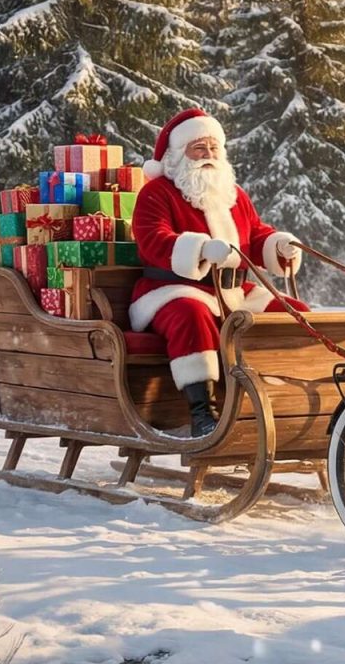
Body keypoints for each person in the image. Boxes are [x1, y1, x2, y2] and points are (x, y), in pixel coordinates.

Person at [130, 108, 307, 437]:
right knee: (191, 315)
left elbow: (254, 235)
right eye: (199, 148)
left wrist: (278, 245)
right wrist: (198, 249)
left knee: (294, 313)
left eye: (213, 148)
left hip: (235, 292)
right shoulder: (156, 194)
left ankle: (292, 403)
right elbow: (153, 239)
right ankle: (203, 415)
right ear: (177, 154)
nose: (208, 156)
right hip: (174, 289)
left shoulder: (233, 194)